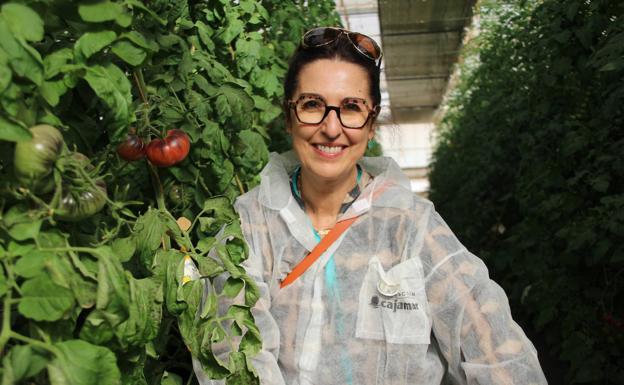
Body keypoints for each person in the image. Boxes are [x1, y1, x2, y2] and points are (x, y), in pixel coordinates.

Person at [193, 27, 548, 385]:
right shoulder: (250, 228)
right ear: (289, 117)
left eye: (351, 107)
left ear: (371, 122)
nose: (332, 128)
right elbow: (234, 358)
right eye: (312, 105)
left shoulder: (411, 226)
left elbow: (494, 346)